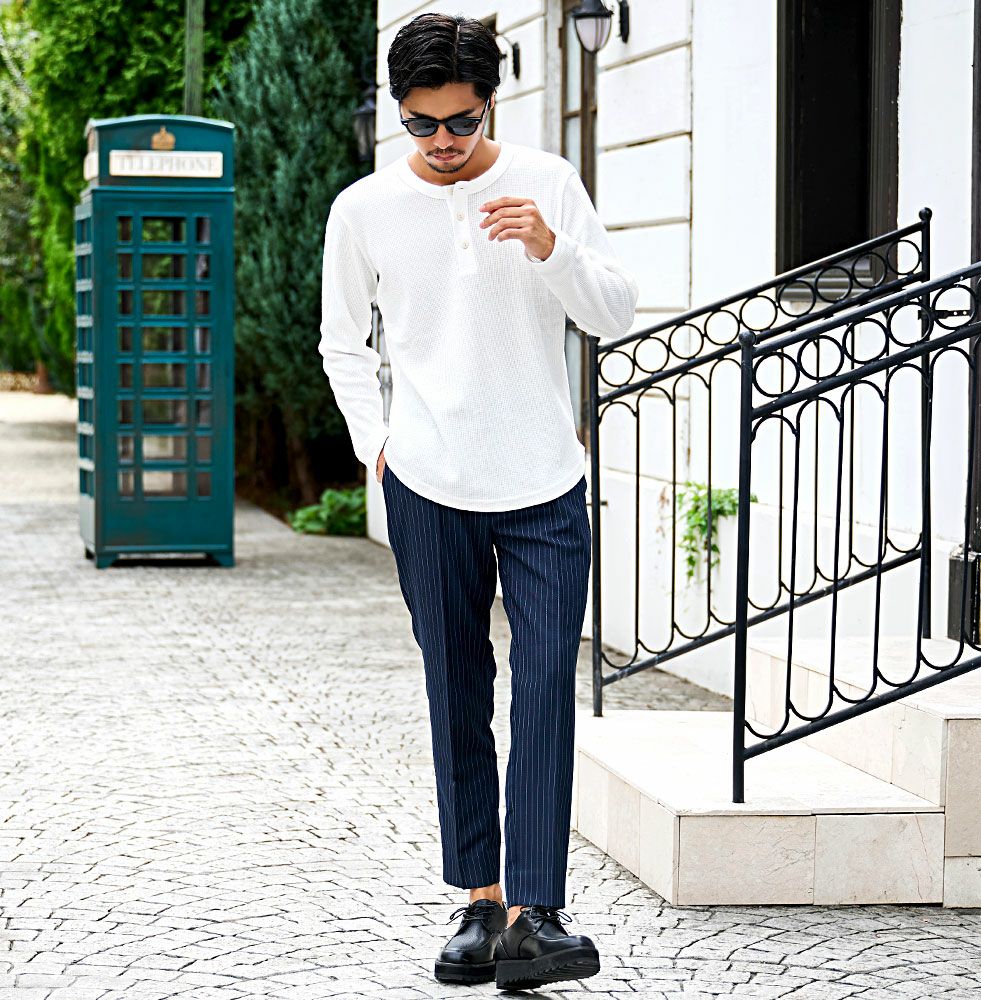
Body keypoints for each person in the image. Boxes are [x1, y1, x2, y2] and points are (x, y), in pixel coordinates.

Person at [317, 11, 639, 991]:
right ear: (399, 112)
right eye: (422, 124)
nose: (444, 142)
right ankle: (481, 903)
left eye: (460, 121)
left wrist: (550, 247)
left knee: (544, 688)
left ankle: (537, 916)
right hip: (427, 483)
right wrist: (376, 444)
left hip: (544, 481)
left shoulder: (547, 182)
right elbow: (341, 342)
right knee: (456, 687)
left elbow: (614, 310)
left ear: (489, 102)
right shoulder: (364, 209)